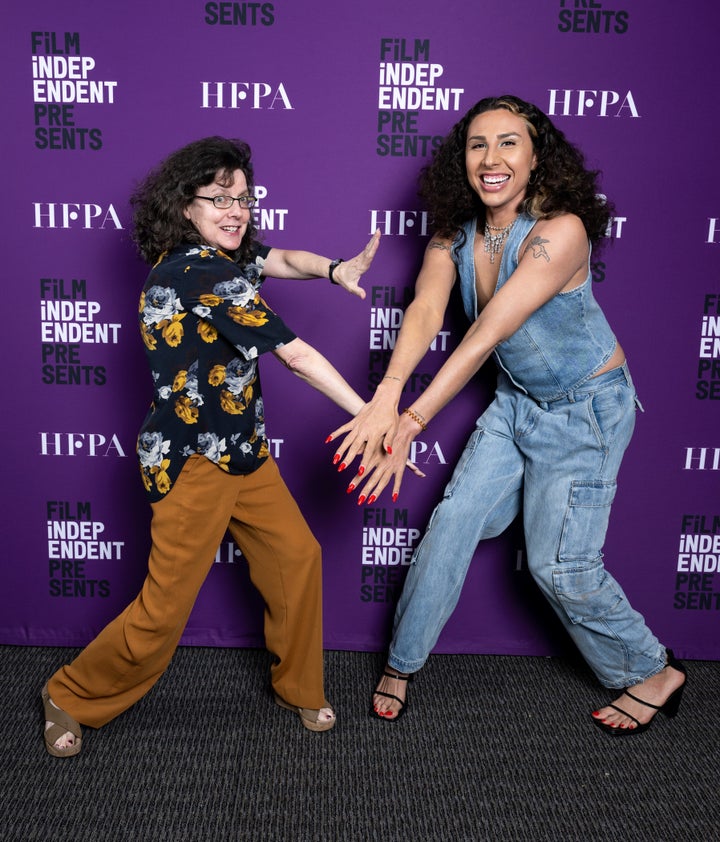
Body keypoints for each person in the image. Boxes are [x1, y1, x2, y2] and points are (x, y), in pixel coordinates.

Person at [328, 95, 687, 736]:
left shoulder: (561, 230)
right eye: (477, 144)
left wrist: (409, 422)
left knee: (560, 567)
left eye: (509, 143)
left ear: (535, 156)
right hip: (517, 404)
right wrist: (386, 394)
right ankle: (401, 664)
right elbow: (426, 311)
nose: (491, 158)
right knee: (450, 525)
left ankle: (653, 670)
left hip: (586, 414)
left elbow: (488, 330)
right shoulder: (454, 234)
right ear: (461, 158)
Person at [42, 136, 382, 756]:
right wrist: (373, 416)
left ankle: (298, 687)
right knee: (163, 610)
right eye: (220, 199)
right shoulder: (194, 272)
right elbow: (297, 358)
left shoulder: (225, 255)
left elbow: (279, 258)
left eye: (244, 199)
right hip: (193, 460)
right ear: (185, 206)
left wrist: (335, 269)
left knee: (297, 557)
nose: (237, 211)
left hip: (244, 450)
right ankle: (69, 693)